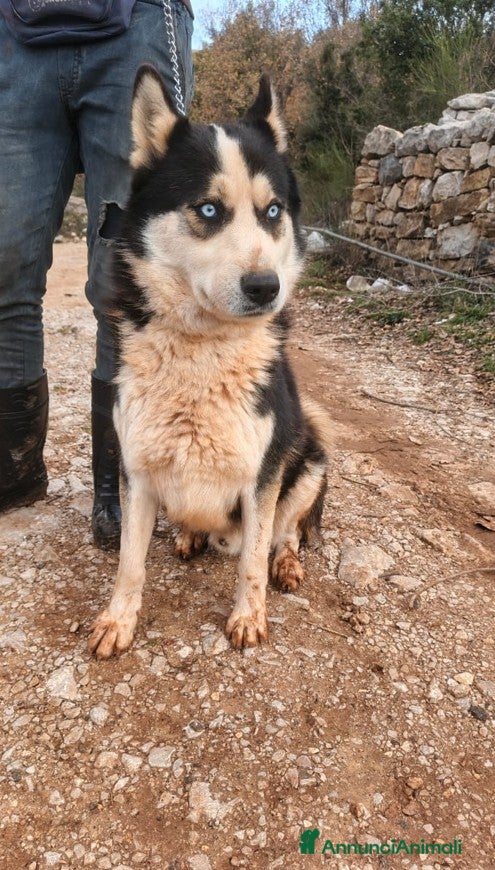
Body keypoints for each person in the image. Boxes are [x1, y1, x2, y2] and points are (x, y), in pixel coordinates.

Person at [0, 0, 194, 548]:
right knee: (4, 259)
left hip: (137, 26)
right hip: (17, 33)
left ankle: (122, 486)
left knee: (125, 272)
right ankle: (14, 470)